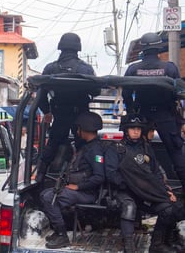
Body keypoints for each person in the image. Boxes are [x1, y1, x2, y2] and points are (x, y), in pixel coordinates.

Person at [105, 114, 179, 253]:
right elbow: (111, 174)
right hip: (124, 191)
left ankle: (157, 244)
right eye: (132, 128)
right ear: (126, 130)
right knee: (129, 207)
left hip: (146, 192)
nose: (136, 131)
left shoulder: (146, 148)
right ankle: (129, 247)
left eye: (138, 128)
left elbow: (155, 172)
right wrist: (130, 185)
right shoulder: (115, 149)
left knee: (168, 208)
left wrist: (164, 191)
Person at [122, 32, 185, 190]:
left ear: (143, 49)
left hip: (142, 116)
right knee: (176, 153)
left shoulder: (133, 68)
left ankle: (138, 189)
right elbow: (178, 93)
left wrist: (132, 113)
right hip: (165, 115)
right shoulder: (169, 68)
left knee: (136, 152)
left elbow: (126, 94)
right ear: (159, 48)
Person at [36, 32, 98, 183]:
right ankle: (89, 176)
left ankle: (39, 175)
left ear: (61, 47)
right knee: (85, 147)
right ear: (78, 48)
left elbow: (41, 94)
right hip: (81, 117)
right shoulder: (85, 69)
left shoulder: (51, 68)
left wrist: (47, 112)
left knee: (52, 145)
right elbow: (96, 91)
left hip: (60, 115)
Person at [39, 111, 105, 249]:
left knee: (50, 197)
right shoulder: (87, 147)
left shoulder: (95, 150)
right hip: (82, 191)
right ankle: (58, 231)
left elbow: (100, 177)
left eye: (79, 128)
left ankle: (62, 235)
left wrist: (78, 187)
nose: (77, 131)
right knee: (45, 194)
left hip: (88, 194)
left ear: (84, 129)